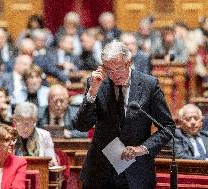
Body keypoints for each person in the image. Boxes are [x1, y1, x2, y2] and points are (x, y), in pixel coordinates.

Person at [73, 40, 175, 189]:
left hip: (136, 172)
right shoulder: (96, 83)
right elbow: (82, 126)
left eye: (118, 68)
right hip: (100, 172)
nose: (114, 74)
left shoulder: (148, 85)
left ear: (128, 62)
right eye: (109, 69)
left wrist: (143, 148)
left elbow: (168, 127)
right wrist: (92, 93)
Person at [13, 102, 58, 166]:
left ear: (35, 121)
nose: (25, 128)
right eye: (21, 124)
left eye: (28, 124)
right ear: (14, 122)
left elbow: (52, 162)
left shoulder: (45, 136)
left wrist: (51, 163)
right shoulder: (8, 136)